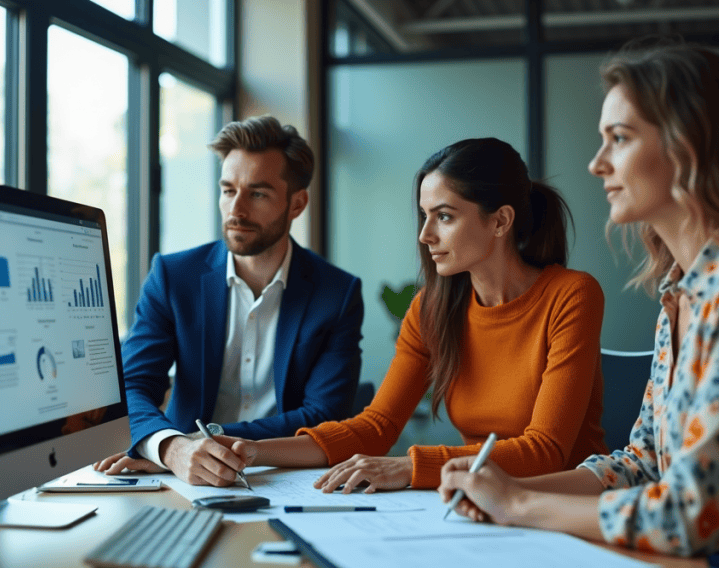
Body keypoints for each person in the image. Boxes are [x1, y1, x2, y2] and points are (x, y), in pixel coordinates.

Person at [438, 40, 719, 568]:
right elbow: (642, 464)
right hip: (700, 563)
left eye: (619, 138)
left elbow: (691, 516)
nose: (596, 164)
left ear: (690, 148)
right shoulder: (680, 291)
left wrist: (520, 507)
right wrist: (506, 489)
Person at [214, 137, 608, 491]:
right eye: (425, 216)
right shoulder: (431, 309)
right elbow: (376, 427)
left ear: (501, 220)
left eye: (445, 216)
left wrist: (407, 466)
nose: (425, 235)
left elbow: (546, 451)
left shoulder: (571, 294)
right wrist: (252, 450)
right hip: (479, 501)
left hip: (563, 503)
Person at [94, 115, 365, 486]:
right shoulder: (174, 277)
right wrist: (171, 448)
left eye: (257, 194)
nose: (236, 211)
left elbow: (325, 414)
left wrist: (202, 441)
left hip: (285, 476)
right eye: (228, 190)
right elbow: (132, 385)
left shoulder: (337, 293)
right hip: (181, 474)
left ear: (297, 203)